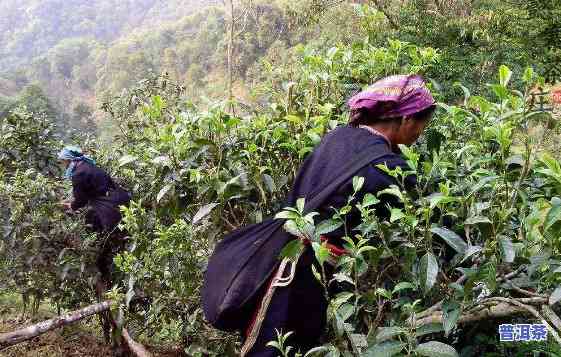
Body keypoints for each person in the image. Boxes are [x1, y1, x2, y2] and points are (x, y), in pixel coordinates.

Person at [239, 74, 436, 356]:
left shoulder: (337, 137)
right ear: (406, 120)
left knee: (268, 339)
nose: (418, 137)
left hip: (278, 259)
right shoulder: (391, 168)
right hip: (313, 276)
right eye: (421, 127)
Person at [57, 146, 131, 290]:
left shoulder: (78, 173)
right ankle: (110, 269)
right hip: (120, 199)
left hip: (110, 206)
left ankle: (107, 274)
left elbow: (81, 200)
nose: (62, 165)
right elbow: (89, 192)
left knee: (103, 242)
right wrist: (73, 202)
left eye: (62, 162)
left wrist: (69, 206)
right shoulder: (88, 165)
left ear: (68, 160)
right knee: (110, 234)